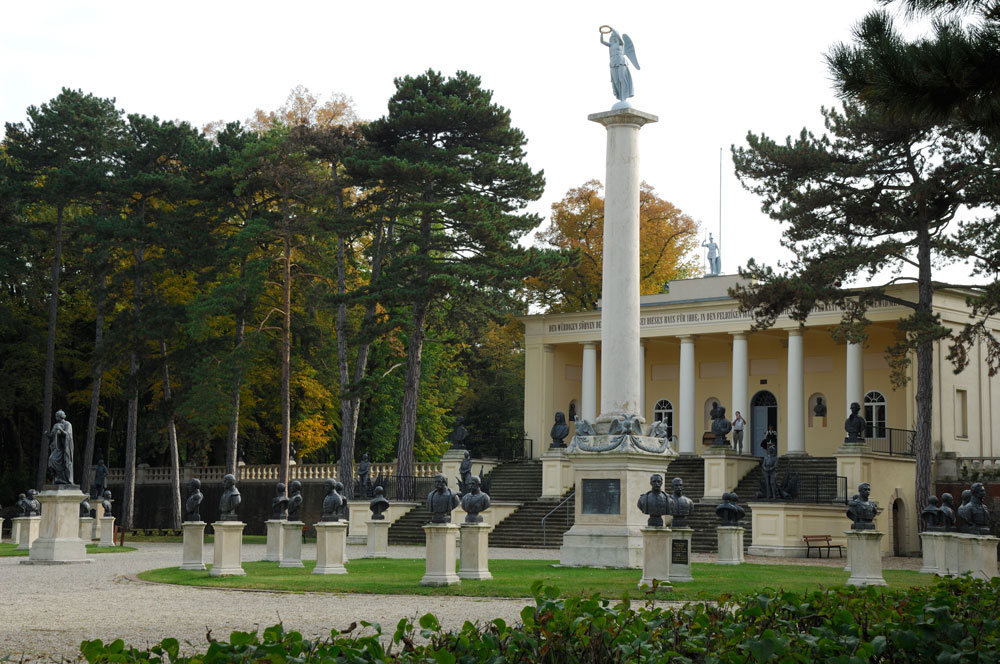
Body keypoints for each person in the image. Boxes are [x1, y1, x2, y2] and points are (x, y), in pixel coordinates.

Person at [46, 410, 74, 485]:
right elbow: (52, 436)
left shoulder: (68, 424)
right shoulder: (56, 425)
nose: (56, 417)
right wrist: (47, 434)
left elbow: (68, 435)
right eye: (56, 416)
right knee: (51, 459)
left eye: (57, 416)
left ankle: (64, 478)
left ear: (61, 416)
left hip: (65, 447)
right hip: (57, 447)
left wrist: (60, 430)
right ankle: (57, 477)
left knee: (65, 462)